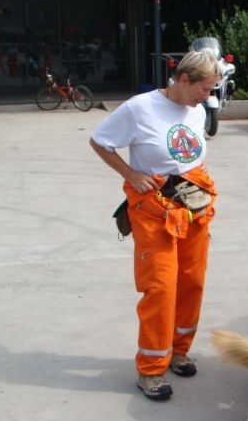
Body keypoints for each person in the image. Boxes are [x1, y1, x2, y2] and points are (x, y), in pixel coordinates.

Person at [90, 50, 223, 402]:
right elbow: (100, 141)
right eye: (204, 89)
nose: (206, 98)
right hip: (155, 211)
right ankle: (151, 370)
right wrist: (131, 174)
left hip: (193, 206)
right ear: (183, 79)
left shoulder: (196, 110)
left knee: (192, 281)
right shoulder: (140, 108)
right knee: (161, 287)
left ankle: (179, 350)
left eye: (211, 91)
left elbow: (192, 154)